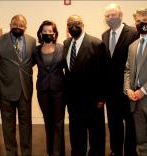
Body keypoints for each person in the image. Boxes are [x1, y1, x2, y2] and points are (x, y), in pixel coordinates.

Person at [63, 15, 107, 156]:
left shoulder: (96, 43)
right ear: (67, 27)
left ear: (83, 25)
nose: (73, 26)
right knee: (76, 133)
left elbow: (103, 72)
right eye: (70, 24)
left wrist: (101, 98)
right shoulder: (66, 43)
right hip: (73, 101)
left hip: (93, 100)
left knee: (96, 135)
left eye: (77, 23)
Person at [0, 15, 36, 156]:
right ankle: (11, 153)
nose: (18, 26)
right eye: (15, 23)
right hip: (6, 90)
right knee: (8, 126)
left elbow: (31, 61)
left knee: (26, 126)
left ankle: (26, 152)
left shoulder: (31, 41)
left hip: (25, 90)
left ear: (26, 26)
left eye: (22, 24)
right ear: (10, 24)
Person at [102, 3, 139, 156]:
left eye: (113, 15)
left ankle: (130, 151)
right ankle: (115, 150)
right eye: (107, 16)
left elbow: (136, 61)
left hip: (128, 88)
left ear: (121, 15)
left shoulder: (133, 32)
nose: (110, 18)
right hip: (111, 91)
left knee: (130, 123)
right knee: (113, 123)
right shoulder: (104, 35)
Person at [33, 20, 65, 156]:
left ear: (55, 33)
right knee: (48, 122)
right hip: (43, 91)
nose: (47, 34)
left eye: (50, 32)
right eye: (45, 31)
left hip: (59, 91)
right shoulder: (35, 50)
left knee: (58, 122)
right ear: (41, 33)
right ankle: (50, 151)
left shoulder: (62, 48)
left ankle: (58, 152)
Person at [124, 8, 147, 156]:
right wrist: (128, 90)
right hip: (135, 101)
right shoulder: (132, 46)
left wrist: (143, 91)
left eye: (145, 20)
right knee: (141, 140)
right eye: (138, 21)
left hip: (144, 94)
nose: (141, 23)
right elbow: (127, 70)